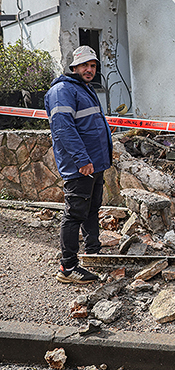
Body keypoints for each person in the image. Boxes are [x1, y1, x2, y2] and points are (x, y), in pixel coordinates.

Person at [45, 45, 113, 284]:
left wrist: (98, 161)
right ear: (73, 67)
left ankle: (93, 252)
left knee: (91, 209)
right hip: (81, 166)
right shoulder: (62, 90)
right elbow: (63, 129)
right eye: (84, 65)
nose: (89, 69)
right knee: (74, 214)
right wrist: (82, 160)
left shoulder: (84, 89)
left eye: (93, 65)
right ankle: (68, 267)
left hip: (95, 165)